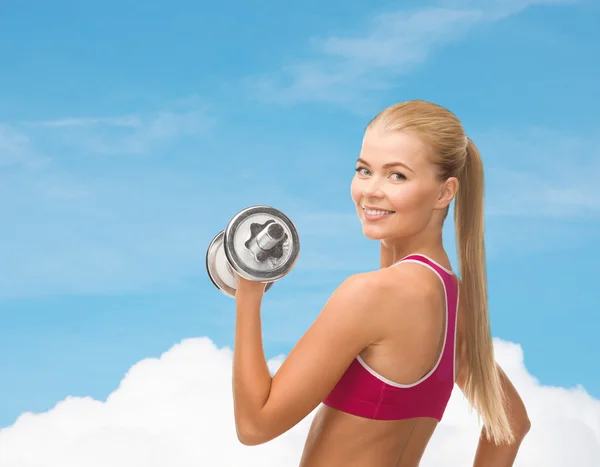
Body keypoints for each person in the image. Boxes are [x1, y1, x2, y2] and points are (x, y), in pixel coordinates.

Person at [231, 100, 531, 466]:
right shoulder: (454, 299)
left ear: (444, 193)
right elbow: (511, 425)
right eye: (364, 170)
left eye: (397, 175)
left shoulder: (371, 295)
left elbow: (255, 425)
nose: (370, 190)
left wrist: (249, 288)